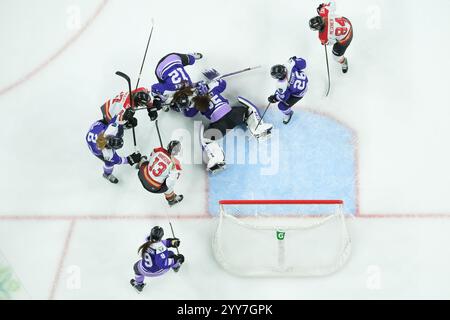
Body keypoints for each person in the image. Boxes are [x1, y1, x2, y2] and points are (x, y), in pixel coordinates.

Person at [172, 79, 273, 173]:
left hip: (220, 126)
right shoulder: (209, 89)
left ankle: (216, 159)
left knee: (207, 139)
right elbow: (222, 83)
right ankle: (258, 128)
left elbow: (189, 114)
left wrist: (181, 108)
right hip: (234, 115)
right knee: (248, 111)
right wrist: (210, 83)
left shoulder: (193, 104)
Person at [86, 117, 142, 183]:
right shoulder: (109, 155)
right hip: (97, 149)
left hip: (95, 139)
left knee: (118, 133)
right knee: (109, 163)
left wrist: (122, 122)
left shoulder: (98, 129)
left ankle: (123, 127)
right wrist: (131, 159)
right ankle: (107, 174)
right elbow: (120, 160)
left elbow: (108, 119)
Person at [130, 226, 184, 293]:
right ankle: (176, 266)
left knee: (136, 267)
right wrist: (177, 259)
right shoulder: (160, 248)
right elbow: (163, 264)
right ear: (161, 236)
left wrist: (171, 242)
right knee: (171, 255)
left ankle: (139, 284)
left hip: (144, 270)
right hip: (159, 271)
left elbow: (160, 243)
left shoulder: (146, 241)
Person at [309, 1, 353, 73]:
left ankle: (343, 62)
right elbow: (333, 3)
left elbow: (331, 43)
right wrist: (323, 6)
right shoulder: (324, 12)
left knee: (336, 57)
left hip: (347, 37)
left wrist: (325, 42)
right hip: (347, 22)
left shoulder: (322, 36)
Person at [137, 140, 184, 206]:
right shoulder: (176, 164)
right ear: (178, 152)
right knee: (169, 185)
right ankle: (171, 199)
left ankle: (139, 164)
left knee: (146, 161)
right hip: (153, 188)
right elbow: (171, 181)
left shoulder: (159, 149)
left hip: (141, 175)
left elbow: (151, 155)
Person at [268, 56, 308, 125]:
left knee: (282, 106)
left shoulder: (282, 85)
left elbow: (284, 97)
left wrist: (274, 98)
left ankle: (289, 114)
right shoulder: (290, 64)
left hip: (299, 93)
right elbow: (304, 63)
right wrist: (295, 60)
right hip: (304, 82)